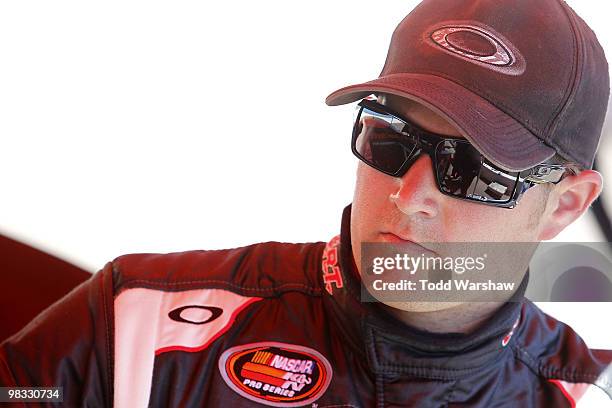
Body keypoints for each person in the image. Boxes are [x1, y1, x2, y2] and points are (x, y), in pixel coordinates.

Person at [1, 0, 611, 406]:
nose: (411, 195)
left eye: (472, 169)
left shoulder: (591, 396)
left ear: (565, 204)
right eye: (390, 138)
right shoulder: (135, 323)